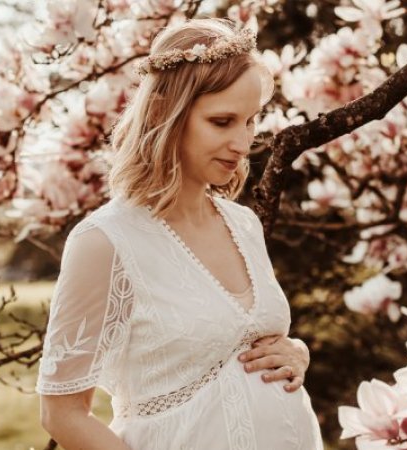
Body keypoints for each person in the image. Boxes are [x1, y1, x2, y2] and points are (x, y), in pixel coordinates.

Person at [36, 18, 323, 450]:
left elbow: (244, 345)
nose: (244, 144)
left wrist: (295, 352)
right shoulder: (104, 242)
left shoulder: (243, 225)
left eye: (250, 122)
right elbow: (61, 413)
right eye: (222, 121)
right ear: (164, 115)